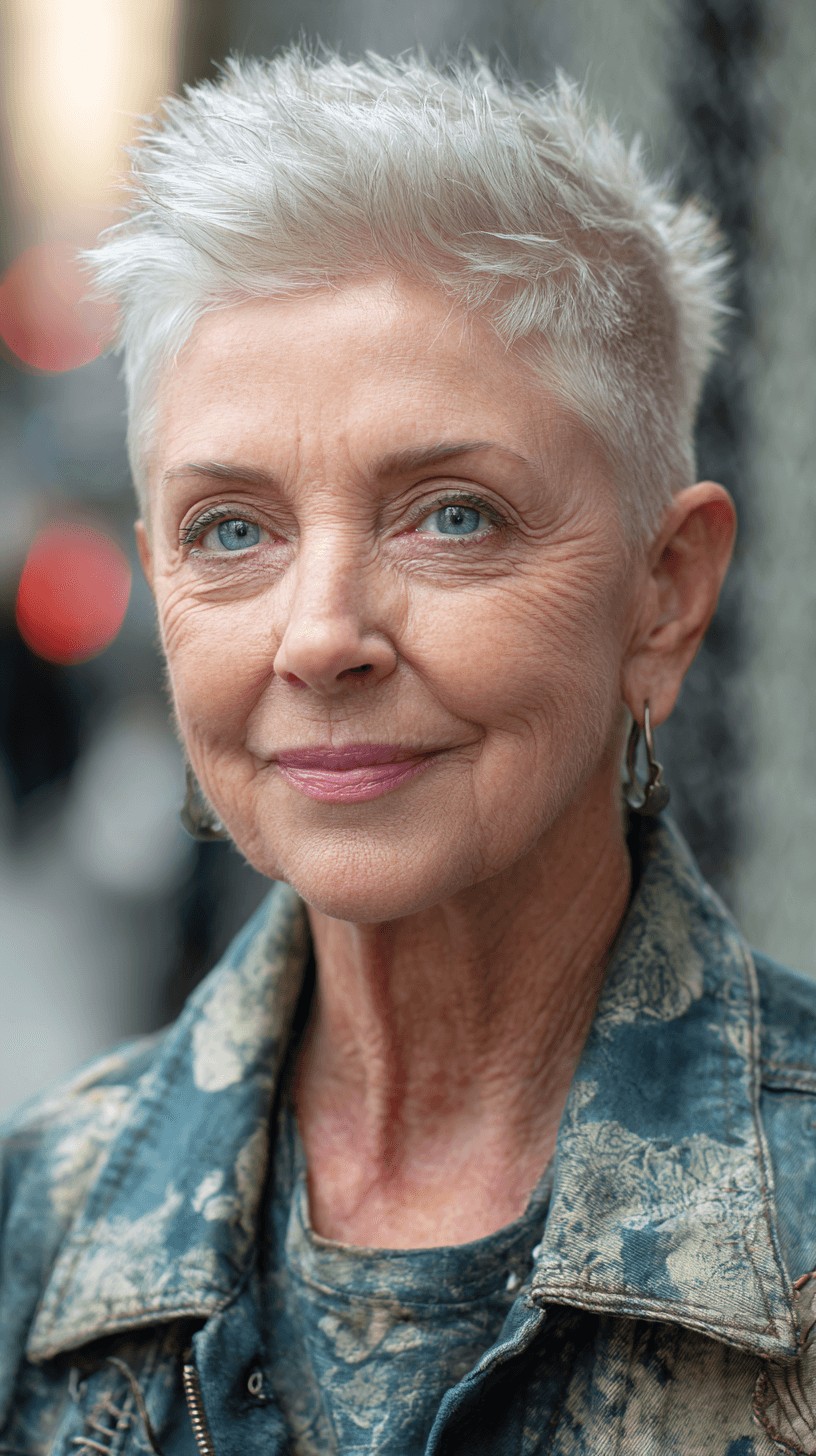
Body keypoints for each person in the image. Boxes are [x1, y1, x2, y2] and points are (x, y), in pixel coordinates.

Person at [1, 45, 814, 1456]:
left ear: (665, 591)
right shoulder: (32, 1233)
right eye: (232, 531)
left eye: (452, 516)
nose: (320, 636)